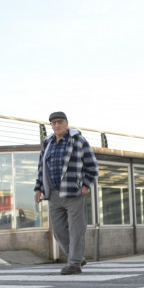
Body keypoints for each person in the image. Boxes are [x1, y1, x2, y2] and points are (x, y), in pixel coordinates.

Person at [34, 111, 98, 275]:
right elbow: (42, 168)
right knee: (59, 231)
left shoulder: (78, 140)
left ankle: (75, 264)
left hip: (74, 192)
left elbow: (92, 165)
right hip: (54, 194)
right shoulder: (48, 143)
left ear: (66, 123)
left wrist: (86, 185)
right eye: (53, 123)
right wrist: (38, 188)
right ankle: (77, 256)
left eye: (60, 122)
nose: (57, 125)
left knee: (77, 230)